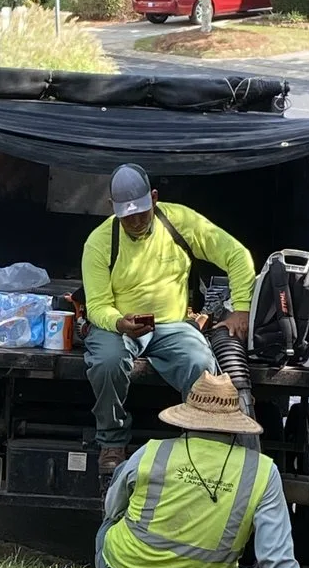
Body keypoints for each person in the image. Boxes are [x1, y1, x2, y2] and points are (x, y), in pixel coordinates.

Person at [82, 163, 255, 479]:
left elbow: (237, 255)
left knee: (201, 363)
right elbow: (96, 306)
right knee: (107, 361)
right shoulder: (98, 242)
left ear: (155, 198)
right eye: (127, 216)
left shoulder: (180, 221)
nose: (135, 221)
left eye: (142, 213)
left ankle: (202, 442)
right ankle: (111, 441)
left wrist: (241, 308)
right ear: (112, 208)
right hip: (118, 326)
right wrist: (120, 323)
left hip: (172, 325)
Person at [95, 371, 309, 568]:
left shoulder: (152, 451)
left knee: (110, 520)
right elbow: (276, 551)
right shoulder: (261, 471)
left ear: (186, 416)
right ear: (235, 424)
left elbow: (112, 507)